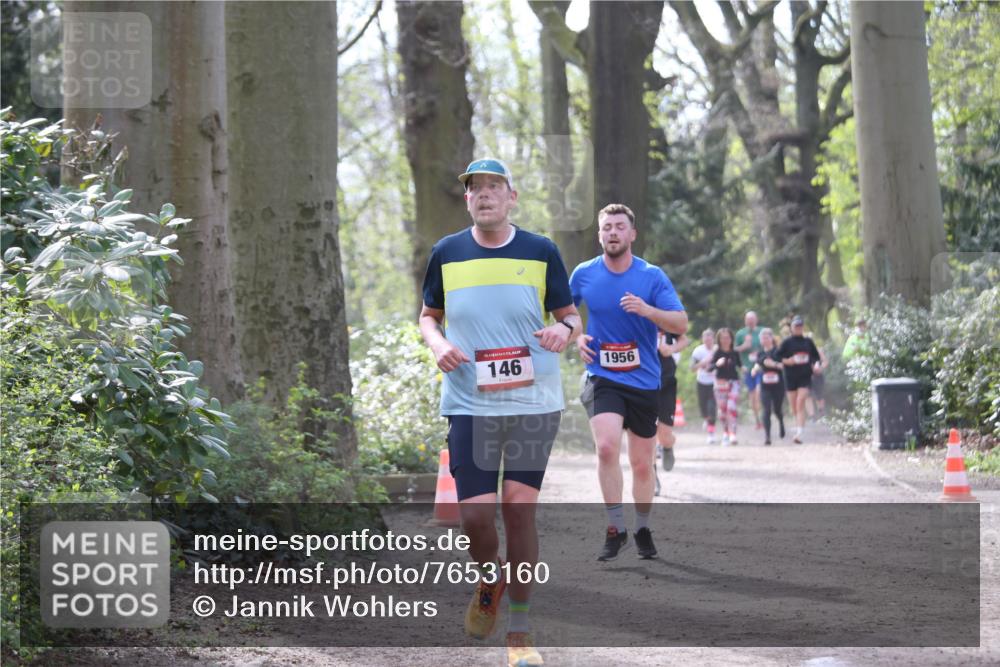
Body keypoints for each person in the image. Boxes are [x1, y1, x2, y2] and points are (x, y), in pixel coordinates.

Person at [419, 158, 581, 666]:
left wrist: (565, 332)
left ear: (512, 197)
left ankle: (520, 630)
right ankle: (489, 577)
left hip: (534, 401)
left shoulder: (541, 251)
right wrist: (437, 344)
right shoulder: (446, 253)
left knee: (518, 508)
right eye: (475, 189)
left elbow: (569, 314)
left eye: (494, 187)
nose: (484, 195)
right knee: (474, 516)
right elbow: (428, 316)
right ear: (467, 199)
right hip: (469, 402)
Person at [570, 203, 687, 561]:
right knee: (606, 447)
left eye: (620, 227)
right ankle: (614, 527)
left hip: (643, 380)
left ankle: (642, 527)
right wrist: (577, 337)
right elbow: (566, 311)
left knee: (640, 463)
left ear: (632, 234)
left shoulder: (651, 276)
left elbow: (680, 323)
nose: (613, 233)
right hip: (603, 376)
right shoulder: (583, 274)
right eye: (607, 228)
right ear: (600, 234)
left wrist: (648, 311)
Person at [778, 315, 822, 444]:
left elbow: (816, 357)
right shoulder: (786, 343)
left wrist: (816, 365)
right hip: (790, 377)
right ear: (791, 328)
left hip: (805, 376)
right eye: (796, 326)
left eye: (800, 326)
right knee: (794, 407)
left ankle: (799, 433)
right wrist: (787, 361)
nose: (798, 328)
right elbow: (777, 356)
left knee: (800, 401)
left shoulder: (808, 342)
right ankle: (798, 426)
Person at [656, 330, 689, 473]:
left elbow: (684, 340)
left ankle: (667, 446)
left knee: (664, 434)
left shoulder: (664, 316)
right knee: (646, 433)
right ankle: (651, 476)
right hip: (641, 383)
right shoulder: (634, 316)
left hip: (666, 383)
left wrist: (671, 349)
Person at [751, 327, 785, 445]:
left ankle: (781, 421)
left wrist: (774, 364)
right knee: (766, 409)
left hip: (778, 385)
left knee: (777, 410)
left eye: (767, 337)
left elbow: (783, 365)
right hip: (765, 386)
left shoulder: (778, 351)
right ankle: (767, 436)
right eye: (762, 338)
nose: (764, 340)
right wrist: (754, 370)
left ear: (771, 338)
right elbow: (758, 363)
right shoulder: (760, 353)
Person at [711, 328, 742, 445]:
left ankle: (733, 433)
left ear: (731, 339)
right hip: (720, 383)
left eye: (727, 338)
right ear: (719, 339)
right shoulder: (717, 352)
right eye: (723, 338)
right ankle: (726, 432)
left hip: (734, 382)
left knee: (731, 407)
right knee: (723, 411)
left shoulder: (735, 352)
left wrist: (744, 369)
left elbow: (739, 365)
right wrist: (717, 364)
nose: (725, 340)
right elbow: (710, 367)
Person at [735, 311, 764, 430]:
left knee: (759, 392)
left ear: (757, 319)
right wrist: (744, 346)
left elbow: (770, 346)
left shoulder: (762, 331)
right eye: (748, 319)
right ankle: (758, 420)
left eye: (753, 319)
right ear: (745, 321)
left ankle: (764, 416)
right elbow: (734, 350)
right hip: (747, 368)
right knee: (752, 396)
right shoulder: (741, 334)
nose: (751, 321)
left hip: (761, 367)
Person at [689, 328, 719, 443]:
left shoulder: (717, 349)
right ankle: (706, 419)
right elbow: (692, 368)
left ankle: (711, 434)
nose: (707, 340)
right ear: (702, 339)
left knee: (712, 408)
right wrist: (704, 362)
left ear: (713, 339)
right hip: (701, 382)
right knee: (703, 409)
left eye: (709, 337)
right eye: (705, 338)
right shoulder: (698, 351)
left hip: (715, 383)